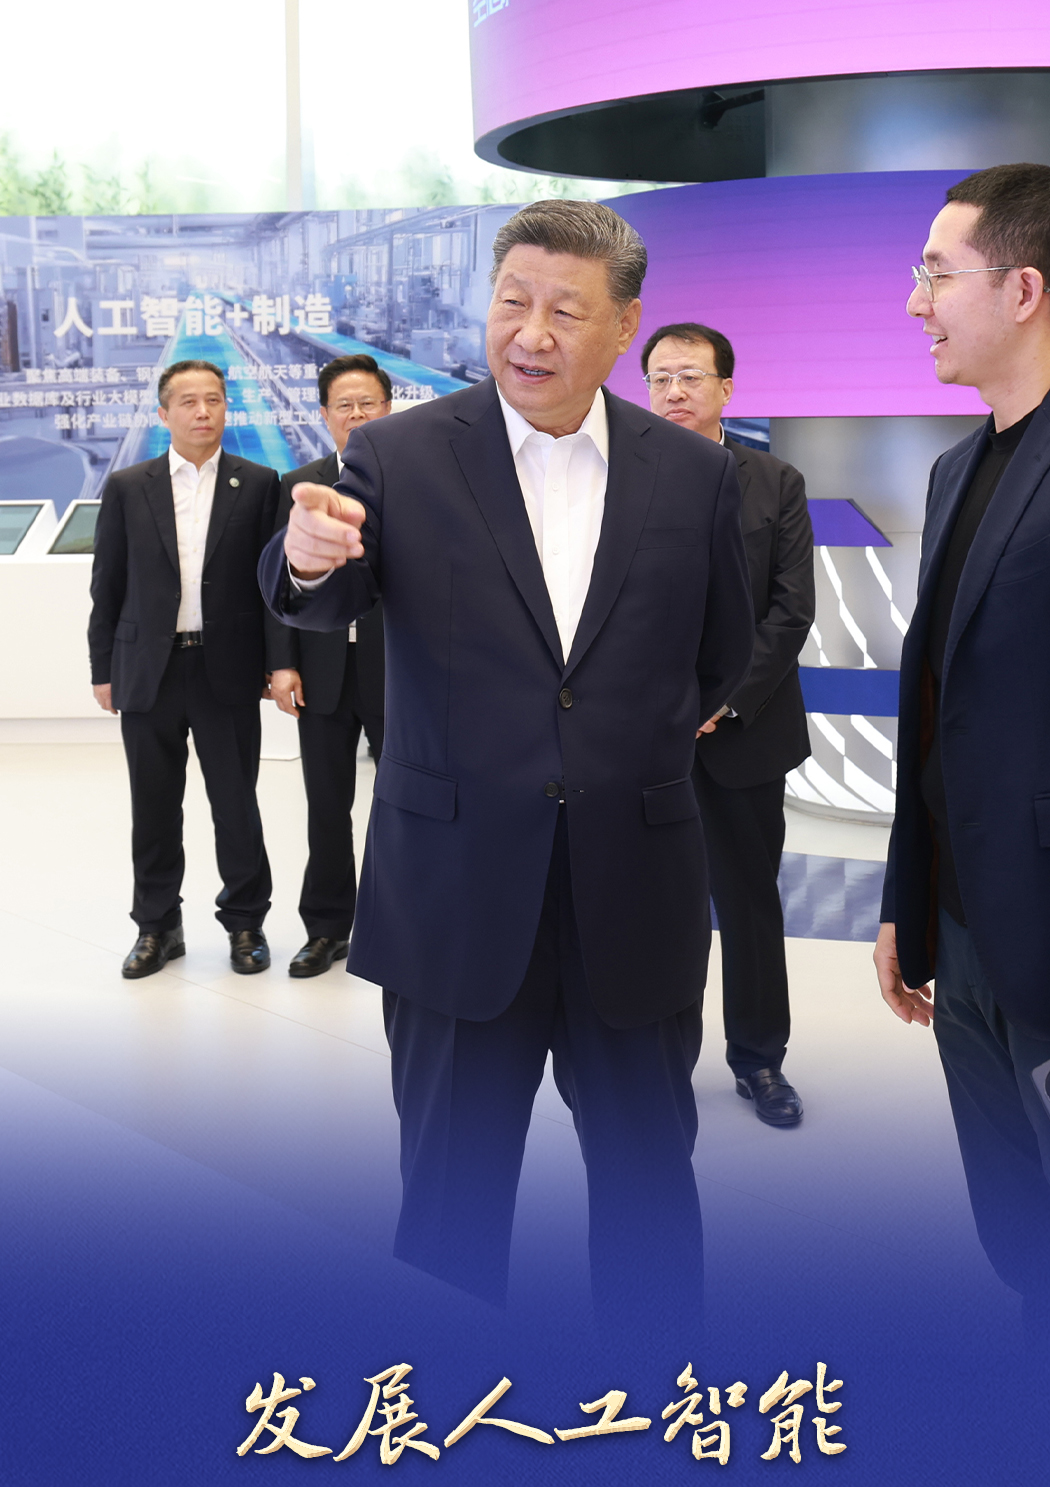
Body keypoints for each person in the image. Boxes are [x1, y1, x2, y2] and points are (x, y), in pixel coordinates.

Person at [260, 200, 754, 1325]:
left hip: (633, 892)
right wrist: (306, 555)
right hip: (455, 897)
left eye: (565, 312)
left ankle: (654, 1399)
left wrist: (619, 747)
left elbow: (720, 656)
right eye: (512, 302)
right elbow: (319, 589)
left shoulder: (694, 477)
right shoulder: (398, 455)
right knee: (449, 1204)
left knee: (648, 1194)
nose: (529, 333)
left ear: (623, 325)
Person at [873, 162, 1050, 1334]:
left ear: (1024, 289)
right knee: (1016, 1224)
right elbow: (940, 709)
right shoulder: (961, 468)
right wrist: (905, 903)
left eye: (936, 274)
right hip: (964, 928)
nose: (917, 303)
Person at [643, 322, 814, 1127]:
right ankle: (657, 1060)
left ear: (725, 389)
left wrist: (724, 700)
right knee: (656, 908)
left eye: (690, 377)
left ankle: (759, 1060)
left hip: (746, 733)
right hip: (646, 738)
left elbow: (790, 610)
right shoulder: (617, 477)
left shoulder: (775, 482)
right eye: (660, 378)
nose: (674, 391)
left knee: (748, 905)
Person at [90, 359, 280, 977]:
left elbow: (271, 587)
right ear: (163, 413)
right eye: (189, 402)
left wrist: (278, 662)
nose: (203, 412)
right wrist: (102, 668)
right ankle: (157, 927)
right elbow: (108, 584)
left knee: (236, 804)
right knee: (153, 807)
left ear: (227, 407)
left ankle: (246, 923)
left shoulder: (258, 483)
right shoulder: (128, 486)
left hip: (227, 669)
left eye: (214, 400)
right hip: (149, 669)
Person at [267, 355, 390, 978]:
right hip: (320, 674)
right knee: (325, 806)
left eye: (368, 403)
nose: (357, 415)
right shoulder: (298, 484)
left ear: (388, 409)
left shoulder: (409, 483)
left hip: (396, 675)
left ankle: (401, 925)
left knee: (405, 807)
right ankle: (326, 928)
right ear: (324, 415)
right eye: (345, 405)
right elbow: (275, 587)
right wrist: (281, 665)